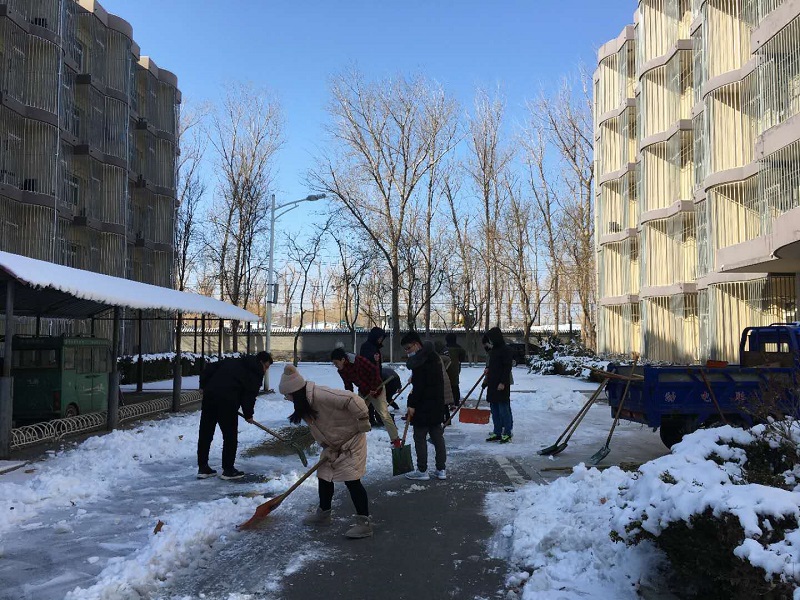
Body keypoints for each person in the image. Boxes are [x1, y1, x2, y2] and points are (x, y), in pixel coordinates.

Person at [279, 364, 374, 539]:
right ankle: (323, 514)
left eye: (287, 395)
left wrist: (363, 419)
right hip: (333, 445)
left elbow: (353, 399)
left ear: (295, 392)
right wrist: (326, 446)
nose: (287, 398)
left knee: (352, 480)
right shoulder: (306, 404)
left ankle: (364, 523)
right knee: (324, 476)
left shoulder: (321, 395)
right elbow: (322, 427)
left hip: (351, 442)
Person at [197, 351, 273, 480]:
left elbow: (209, 368)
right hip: (228, 404)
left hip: (210, 398)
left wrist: (203, 386)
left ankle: (203, 468)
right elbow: (249, 396)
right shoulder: (255, 373)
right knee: (230, 436)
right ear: (260, 362)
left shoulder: (233, 361)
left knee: (206, 433)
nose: (266, 370)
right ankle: (228, 470)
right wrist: (248, 414)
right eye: (266, 366)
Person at [330, 347, 402, 448]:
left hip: (377, 389)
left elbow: (374, 371)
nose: (336, 366)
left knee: (384, 414)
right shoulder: (342, 370)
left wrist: (373, 387)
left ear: (343, 359)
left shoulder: (358, 361)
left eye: (336, 363)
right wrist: (350, 398)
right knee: (357, 413)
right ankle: (353, 438)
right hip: (364, 391)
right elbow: (348, 385)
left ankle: (396, 440)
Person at [400, 331, 447, 481]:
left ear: (416, 344)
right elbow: (431, 380)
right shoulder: (433, 356)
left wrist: (412, 404)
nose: (407, 352)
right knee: (437, 436)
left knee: (419, 437)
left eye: (408, 348)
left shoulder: (420, 361)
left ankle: (422, 470)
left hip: (423, 405)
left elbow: (420, 387)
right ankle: (441, 469)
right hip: (437, 403)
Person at [483, 327, 514, 443]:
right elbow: (492, 366)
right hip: (492, 383)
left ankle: (507, 433)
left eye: (491, 339)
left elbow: (507, 368)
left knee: (503, 410)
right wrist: (487, 370)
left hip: (501, 385)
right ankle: (497, 432)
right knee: (494, 410)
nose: (490, 341)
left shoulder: (506, 350)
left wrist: (503, 382)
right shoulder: (493, 351)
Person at [359, 327, 386, 426]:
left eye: (382, 338)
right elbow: (365, 362)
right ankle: (368, 419)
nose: (381, 340)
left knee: (374, 399)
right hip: (368, 378)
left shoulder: (375, 347)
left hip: (376, 378)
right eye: (380, 338)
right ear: (375, 337)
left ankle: (372, 419)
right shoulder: (367, 347)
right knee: (368, 400)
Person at [444, 332, 467, 409]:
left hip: (445, 368)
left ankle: (447, 402)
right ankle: (456, 401)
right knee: (455, 385)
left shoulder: (444, 348)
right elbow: (462, 358)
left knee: (446, 385)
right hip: (455, 369)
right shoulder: (459, 349)